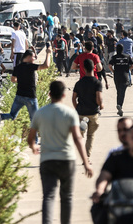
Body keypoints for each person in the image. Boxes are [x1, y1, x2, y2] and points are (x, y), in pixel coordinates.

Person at [28, 80, 93, 224]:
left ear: (50, 94)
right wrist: (86, 162)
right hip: (66, 160)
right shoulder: (70, 113)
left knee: (49, 196)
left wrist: (33, 146)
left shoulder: (40, 113)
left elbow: (31, 137)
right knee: (67, 197)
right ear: (64, 95)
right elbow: (78, 138)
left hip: (47, 161)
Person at [0, 48, 51, 128]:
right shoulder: (30, 66)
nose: (34, 59)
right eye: (33, 57)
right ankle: (34, 140)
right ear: (28, 57)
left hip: (19, 96)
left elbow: (13, 79)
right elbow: (46, 65)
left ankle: (1, 116)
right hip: (30, 97)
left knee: (12, 115)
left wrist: (22, 80)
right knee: (34, 120)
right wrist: (48, 53)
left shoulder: (17, 67)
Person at [72, 59, 104, 159]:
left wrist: (77, 107)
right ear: (94, 67)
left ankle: (81, 153)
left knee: (80, 135)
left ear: (83, 68)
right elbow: (98, 98)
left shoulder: (79, 83)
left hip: (81, 114)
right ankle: (87, 156)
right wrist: (101, 105)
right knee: (90, 136)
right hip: (93, 113)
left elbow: (73, 98)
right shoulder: (97, 83)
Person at [109, 44, 133, 117]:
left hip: (117, 76)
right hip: (125, 76)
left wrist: (113, 71)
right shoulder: (127, 56)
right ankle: (120, 105)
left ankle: (119, 105)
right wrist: (128, 69)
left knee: (118, 91)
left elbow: (110, 65)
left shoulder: (114, 57)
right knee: (122, 92)